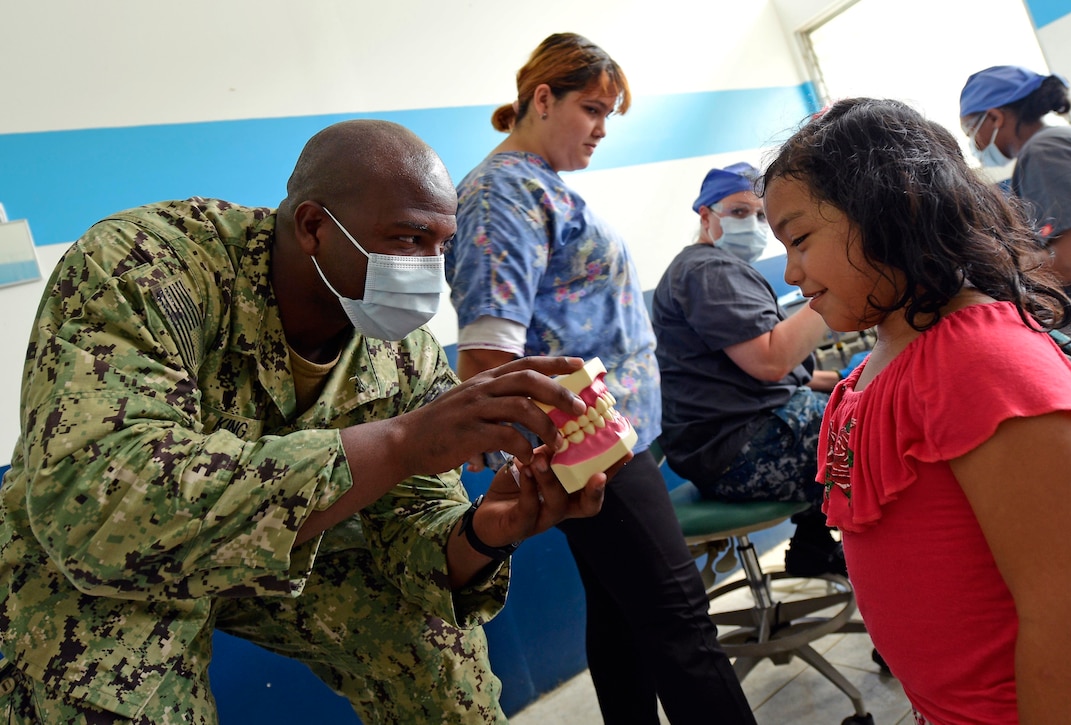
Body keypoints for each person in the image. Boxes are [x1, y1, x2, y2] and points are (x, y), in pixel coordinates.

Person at [0, 119, 619, 724]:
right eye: (407, 240)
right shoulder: (145, 268)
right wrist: (401, 443)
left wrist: (485, 531)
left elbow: (414, 529)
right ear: (314, 226)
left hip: (290, 547)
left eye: (442, 245)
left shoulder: (404, 352)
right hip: (103, 564)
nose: (430, 269)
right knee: (112, 685)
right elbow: (99, 508)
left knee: (436, 654)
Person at [444, 33, 756, 725]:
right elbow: (488, 346)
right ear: (542, 98)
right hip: (590, 445)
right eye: (591, 108)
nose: (602, 129)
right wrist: (518, 450)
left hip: (606, 441)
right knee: (682, 624)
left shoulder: (540, 187)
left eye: (610, 114)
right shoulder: (502, 193)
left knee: (623, 620)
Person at [762, 97, 1071, 724]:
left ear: (895, 208)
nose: (791, 270)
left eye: (800, 238)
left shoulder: (982, 361)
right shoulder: (876, 364)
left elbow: (1066, 611)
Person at [651, 162, 846, 577]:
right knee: (873, 435)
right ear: (706, 216)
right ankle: (894, 592)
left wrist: (840, 380)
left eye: (762, 216)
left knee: (843, 407)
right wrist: (837, 288)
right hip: (737, 450)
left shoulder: (714, 270)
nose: (754, 224)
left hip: (728, 439)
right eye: (739, 212)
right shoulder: (707, 271)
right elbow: (772, 361)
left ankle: (813, 541)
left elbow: (741, 370)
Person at [959, 64, 1071, 337]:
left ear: (995, 117)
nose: (975, 144)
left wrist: (995, 268)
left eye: (971, 131)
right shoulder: (1065, 139)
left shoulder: (1046, 150)